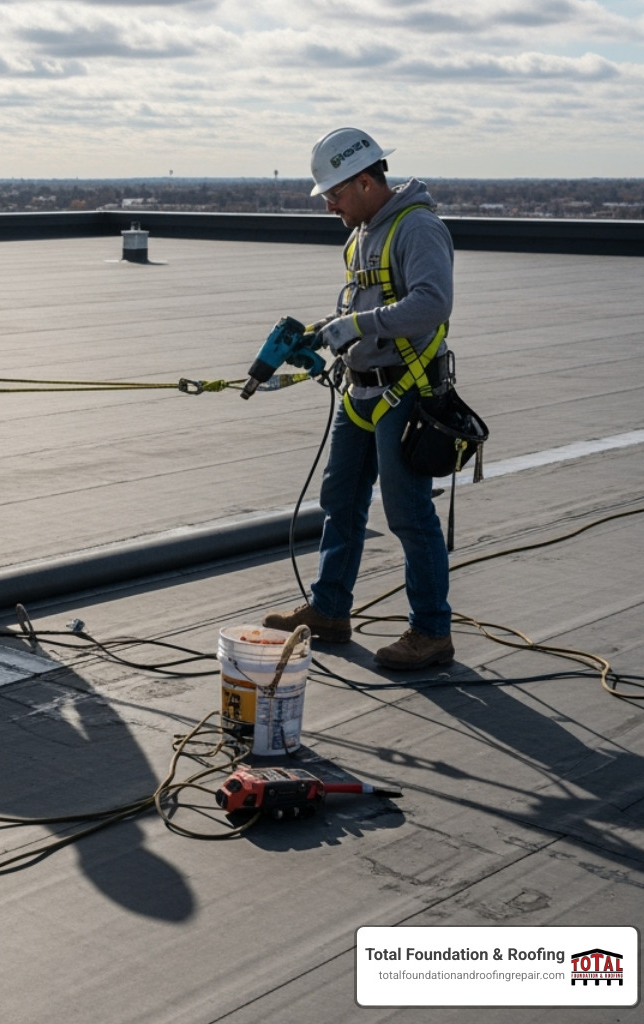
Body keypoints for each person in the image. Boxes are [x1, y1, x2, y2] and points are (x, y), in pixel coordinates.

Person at [263, 127, 456, 670]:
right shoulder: (360, 233)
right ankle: (328, 610)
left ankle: (432, 632)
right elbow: (365, 308)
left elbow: (431, 305)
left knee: (409, 513)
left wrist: (356, 324)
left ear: (367, 181)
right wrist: (332, 330)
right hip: (360, 391)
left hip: (405, 391)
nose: (329, 205)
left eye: (335, 193)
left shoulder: (418, 228)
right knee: (340, 502)